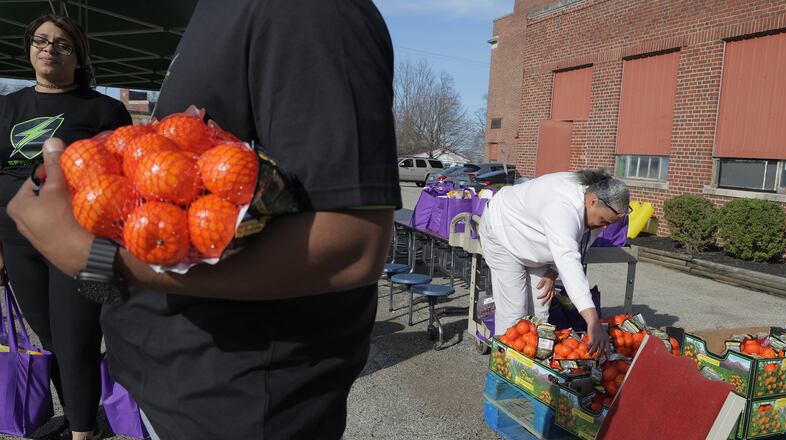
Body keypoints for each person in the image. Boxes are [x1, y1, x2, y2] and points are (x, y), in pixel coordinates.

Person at [7, 1, 400, 439]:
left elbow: (351, 248)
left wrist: (96, 257)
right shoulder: (216, 11)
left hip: (237, 411)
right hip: (172, 393)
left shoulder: (303, 9)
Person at [0, 14, 131, 440]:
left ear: (78, 56)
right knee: (52, 338)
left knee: (77, 340)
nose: (48, 49)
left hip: (79, 241)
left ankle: (81, 433)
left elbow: (121, 182)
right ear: (29, 48)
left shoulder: (104, 109)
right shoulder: (7, 107)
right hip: (16, 241)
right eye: (40, 40)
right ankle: (81, 418)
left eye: (61, 44)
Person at [478, 169, 630, 356]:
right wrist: (592, 320)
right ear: (592, 201)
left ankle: (535, 366)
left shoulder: (596, 208)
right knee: (514, 311)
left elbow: (577, 246)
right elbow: (568, 259)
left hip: (535, 240)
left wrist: (552, 271)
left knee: (541, 310)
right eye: (603, 221)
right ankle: (504, 367)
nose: (604, 227)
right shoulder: (563, 206)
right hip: (503, 231)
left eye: (609, 224)